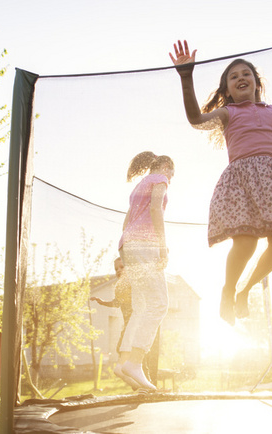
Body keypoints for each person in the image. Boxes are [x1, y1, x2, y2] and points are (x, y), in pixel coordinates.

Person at [170, 40, 272, 325]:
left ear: (257, 83)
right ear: (227, 91)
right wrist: (187, 77)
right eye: (233, 77)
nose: (241, 78)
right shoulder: (228, 114)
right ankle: (228, 289)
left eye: (246, 74)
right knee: (245, 244)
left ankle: (245, 290)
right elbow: (197, 119)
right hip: (240, 181)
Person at [117, 151, 174, 391]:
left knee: (141, 307)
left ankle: (123, 363)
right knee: (159, 303)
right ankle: (135, 362)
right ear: (165, 166)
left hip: (129, 244)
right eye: (172, 172)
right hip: (145, 244)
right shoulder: (159, 179)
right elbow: (155, 210)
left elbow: (126, 221)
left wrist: (123, 248)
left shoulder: (139, 185)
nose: (172, 177)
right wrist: (162, 245)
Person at [90, 257, 159, 390]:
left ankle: (143, 386)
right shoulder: (121, 286)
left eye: (122, 267)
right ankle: (142, 386)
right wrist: (103, 302)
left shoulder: (132, 283)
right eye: (116, 269)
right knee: (127, 359)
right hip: (129, 327)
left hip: (135, 326)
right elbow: (117, 302)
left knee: (136, 357)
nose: (119, 271)